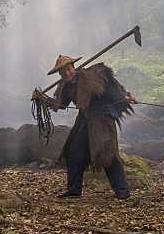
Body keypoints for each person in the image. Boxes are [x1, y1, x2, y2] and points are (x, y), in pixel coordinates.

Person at [32, 55, 137, 199]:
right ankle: (74, 190)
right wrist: (42, 98)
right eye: (62, 72)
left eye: (68, 69)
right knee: (74, 152)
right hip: (84, 120)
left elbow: (111, 89)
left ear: (73, 67)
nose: (66, 73)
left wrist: (125, 96)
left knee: (107, 155)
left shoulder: (91, 76)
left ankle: (122, 191)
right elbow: (60, 104)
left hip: (102, 119)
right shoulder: (65, 85)